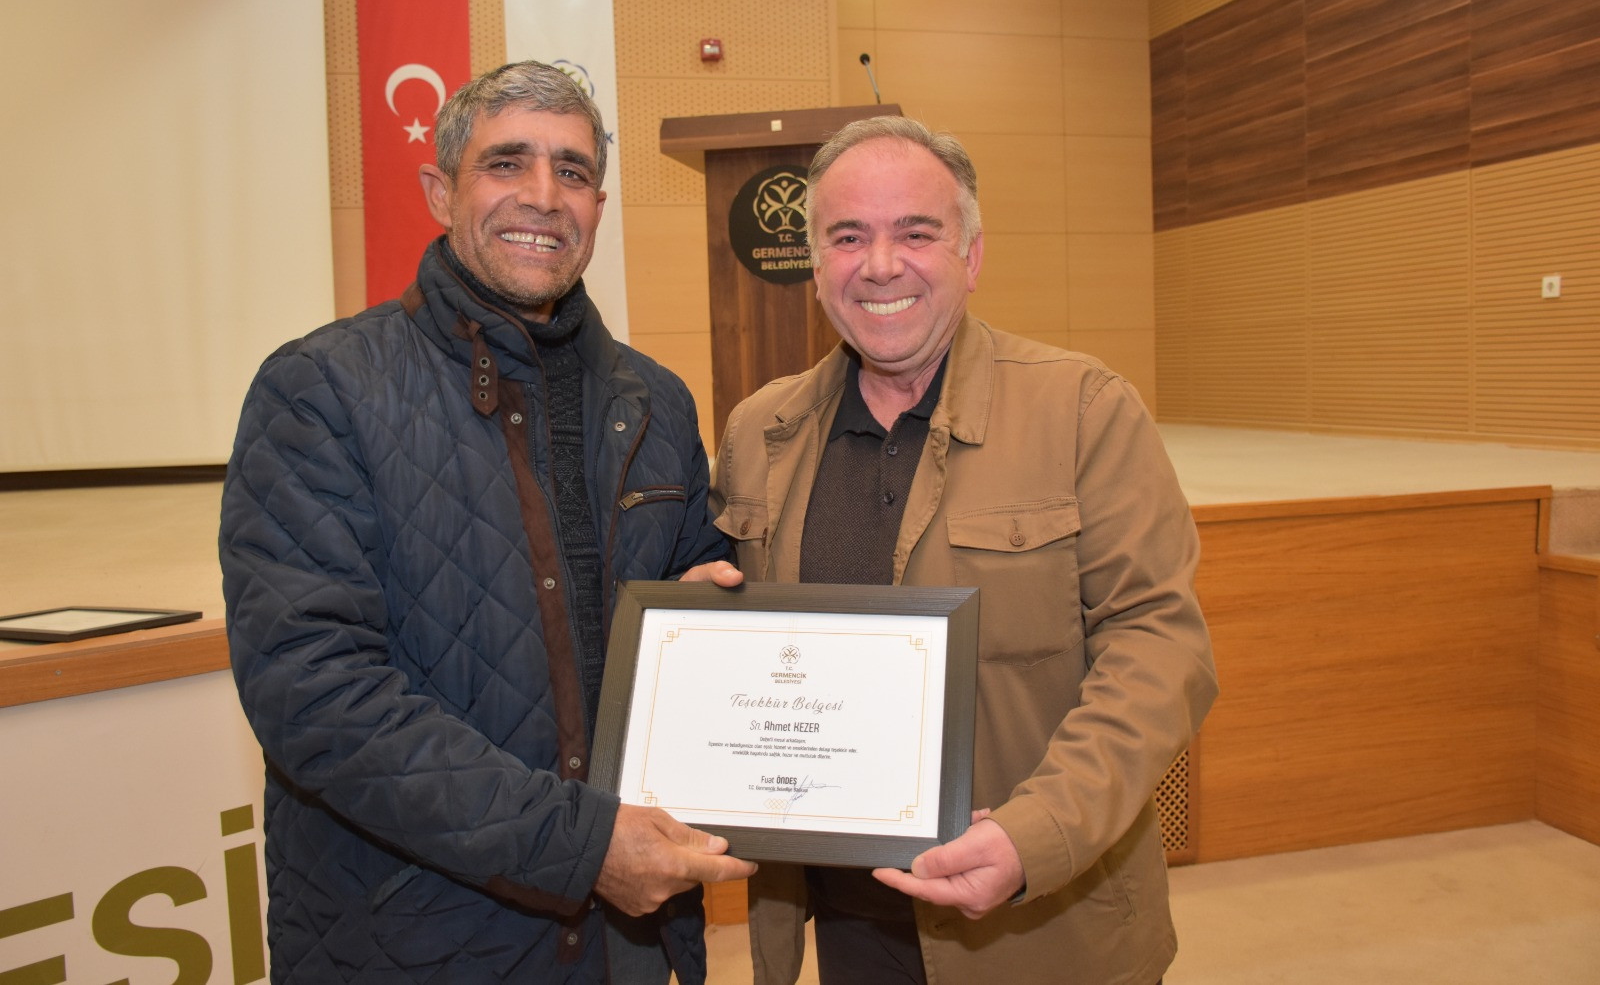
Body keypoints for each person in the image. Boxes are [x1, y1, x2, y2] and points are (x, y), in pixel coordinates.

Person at [220, 61, 753, 984]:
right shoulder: (322, 390)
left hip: (624, 945)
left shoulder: (655, 401)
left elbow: (695, 597)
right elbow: (314, 692)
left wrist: (715, 623)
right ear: (441, 191)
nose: (544, 195)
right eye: (507, 163)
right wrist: (578, 846)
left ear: (598, 206)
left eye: (573, 171)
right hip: (417, 938)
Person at [709, 116, 1219, 985]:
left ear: (972, 256)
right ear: (815, 268)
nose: (880, 265)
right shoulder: (761, 430)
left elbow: (1159, 646)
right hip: (845, 925)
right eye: (848, 237)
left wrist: (1037, 834)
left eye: (916, 233)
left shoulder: (1084, 411)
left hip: (1043, 926)